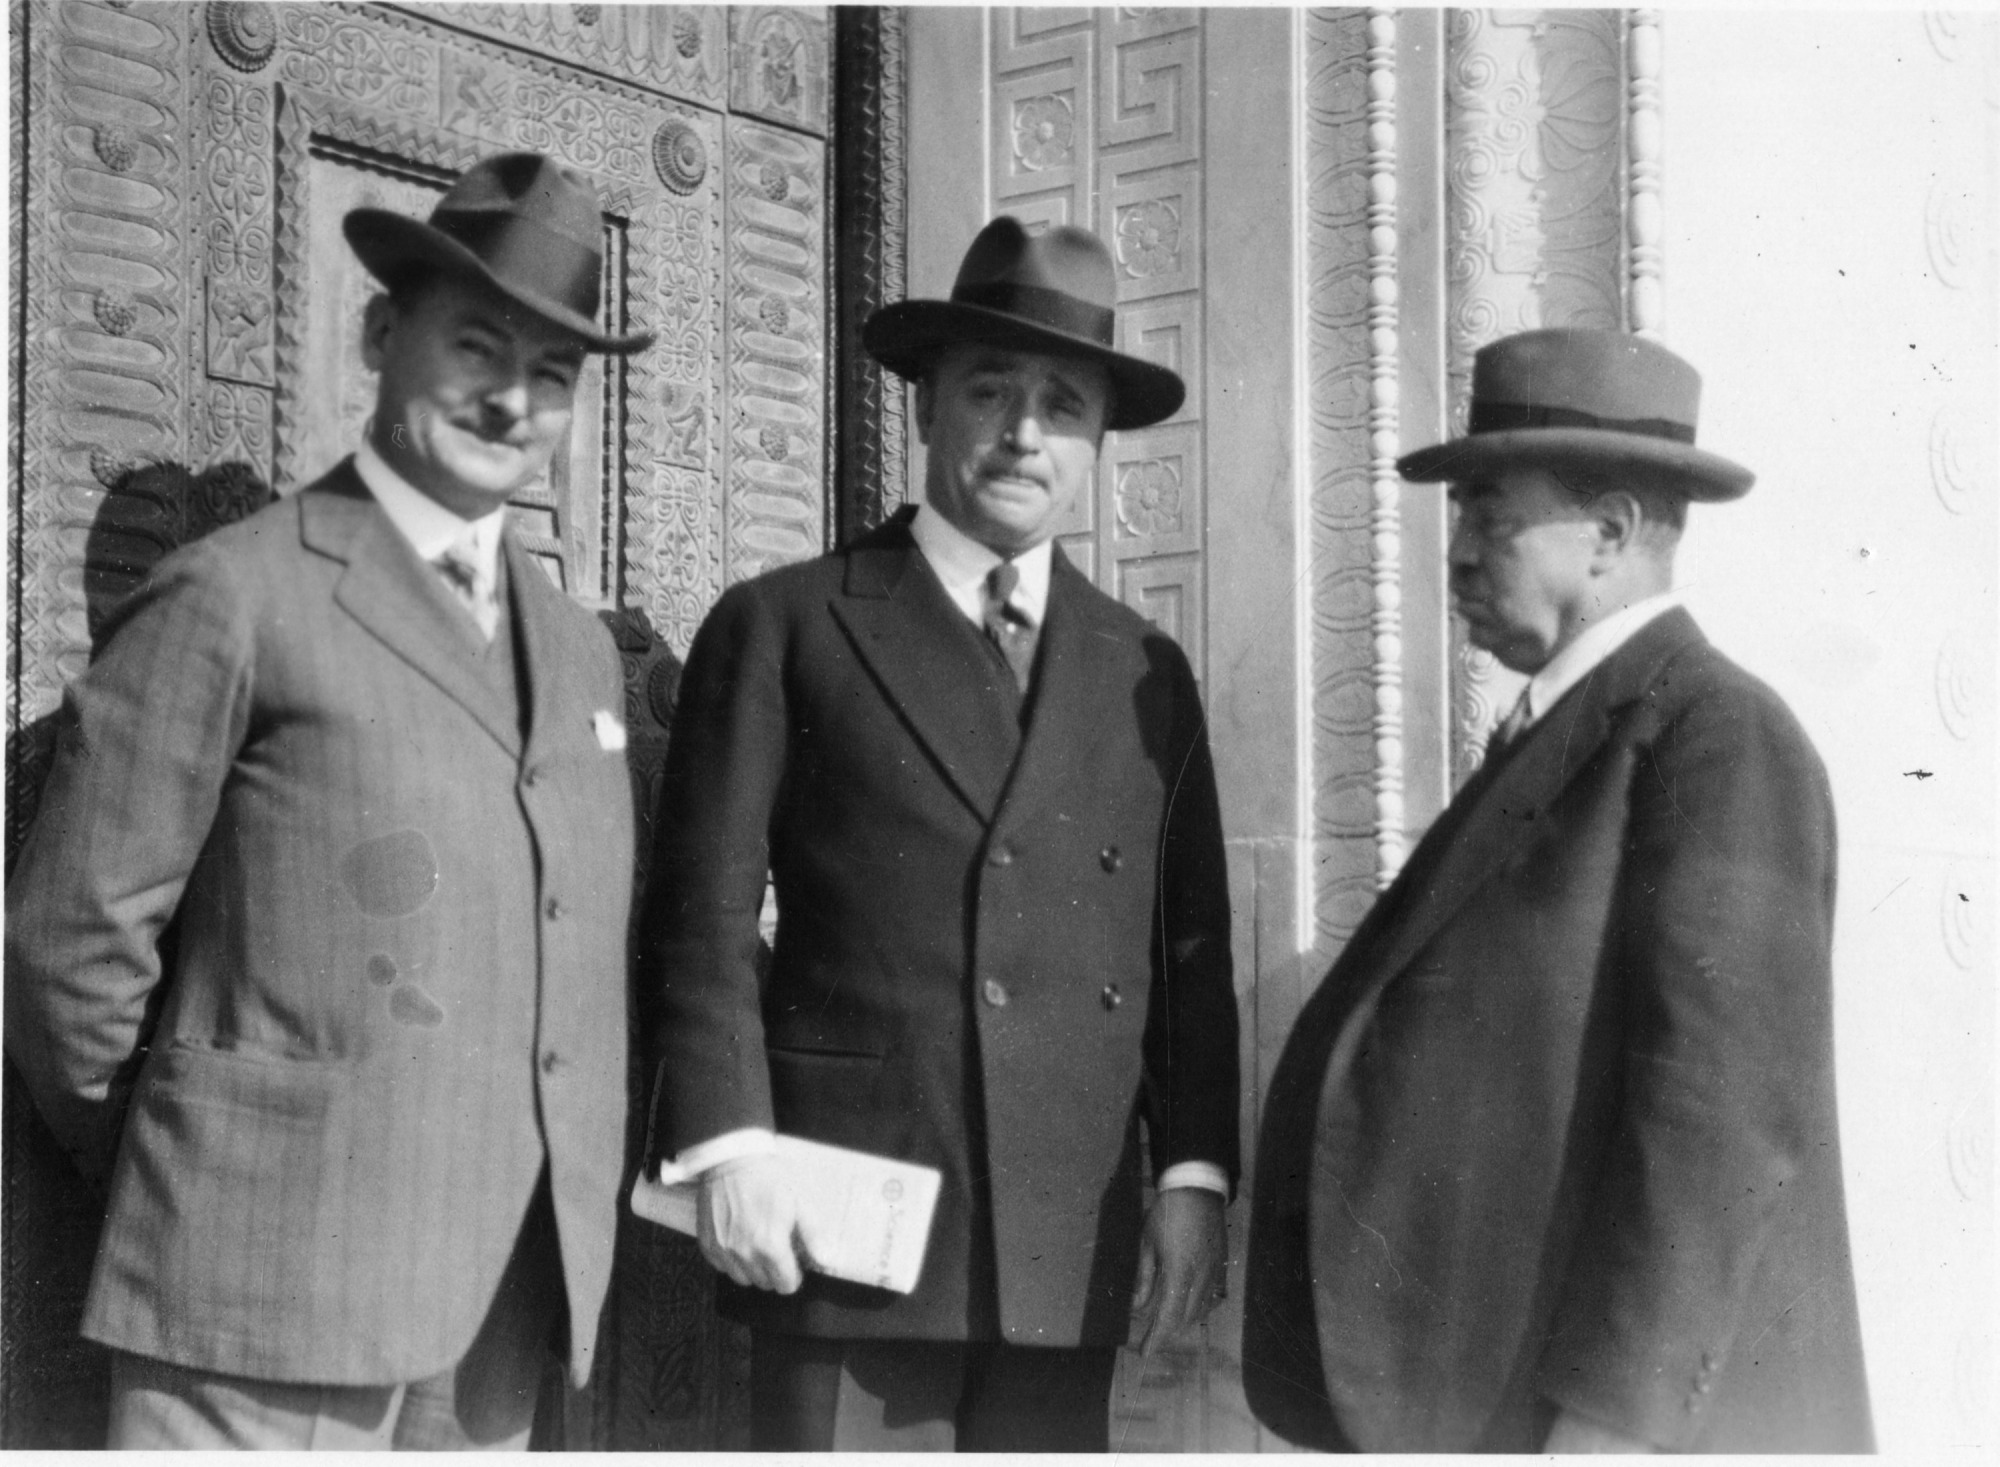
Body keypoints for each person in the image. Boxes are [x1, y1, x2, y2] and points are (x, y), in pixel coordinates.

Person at [4, 152, 649, 1449]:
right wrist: (216, 1162)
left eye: (553, 373)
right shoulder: (234, 593)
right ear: (379, 333)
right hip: (256, 1304)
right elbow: (70, 944)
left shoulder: (580, 653)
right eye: (475, 345)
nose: (511, 399)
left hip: (494, 1321)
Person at [637, 216, 1239, 1451]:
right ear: (922, 407)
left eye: (1062, 406)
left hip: (1063, 1231)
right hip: (844, 1222)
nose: (1023, 433)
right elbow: (700, 920)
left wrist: (1190, 1175)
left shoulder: (1143, 669)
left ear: (1094, 443)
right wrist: (728, 1144)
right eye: (989, 391)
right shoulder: (787, 623)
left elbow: (1186, 954)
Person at [1242, 328, 1873, 1453]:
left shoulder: (1717, 735)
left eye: (1490, 518)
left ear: (1611, 533)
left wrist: (1611, 1425)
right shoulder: (1568, 728)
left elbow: (1718, 1125)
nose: (1457, 558)